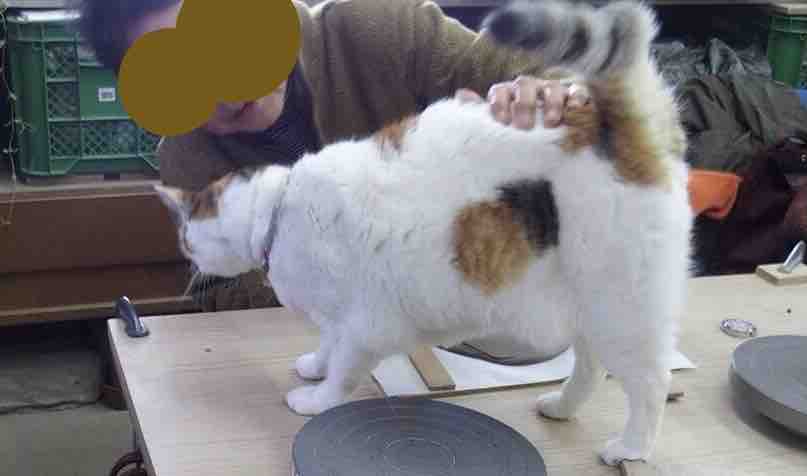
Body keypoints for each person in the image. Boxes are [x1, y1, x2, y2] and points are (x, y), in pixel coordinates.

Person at [77, 0, 580, 363]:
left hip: (501, 310)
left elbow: (545, 74)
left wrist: (547, 98)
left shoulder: (376, 27)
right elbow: (215, 285)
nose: (226, 95)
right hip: (353, 349)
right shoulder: (187, 157)